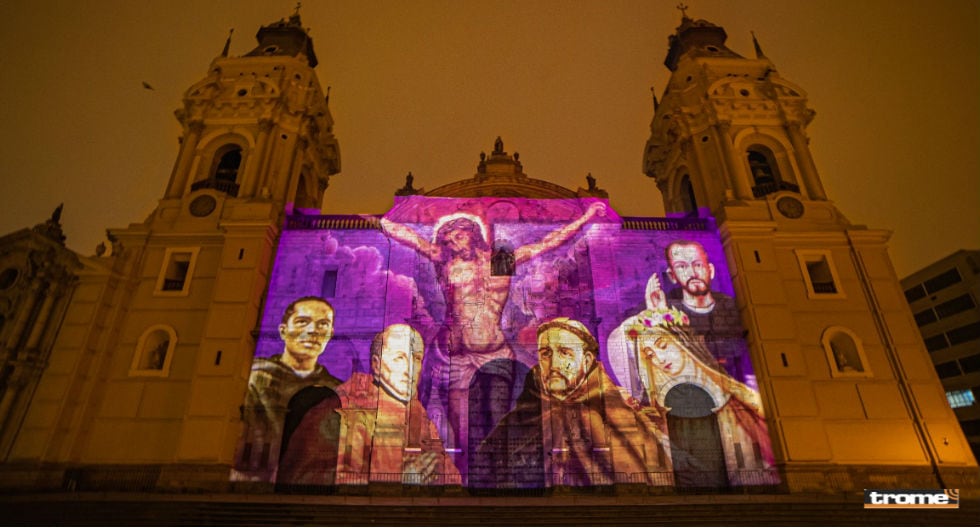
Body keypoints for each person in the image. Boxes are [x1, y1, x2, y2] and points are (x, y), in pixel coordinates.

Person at [380, 202, 606, 463]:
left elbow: (549, 242)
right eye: (449, 239)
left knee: (498, 419)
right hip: (457, 356)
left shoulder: (500, 262)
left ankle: (497, 477)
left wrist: (587, 216)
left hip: (495, 353)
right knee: (462, 431)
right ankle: (466, 480)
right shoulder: (446, 261)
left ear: (474, 234)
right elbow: (412, 239)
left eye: (459, 235)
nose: (453, 242)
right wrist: (383, 222)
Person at [472, 318, 667, 489]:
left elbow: (642, 474)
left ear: (587, 360)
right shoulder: (523, 416)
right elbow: (484, 471)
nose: (554, 363)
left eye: (565, 353)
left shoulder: (616, 412)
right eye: (546, 354)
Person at [279, 324, 459, 486]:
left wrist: (438, 475)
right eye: (399, 358)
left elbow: (451, 476)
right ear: (377, 365)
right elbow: (301, 478)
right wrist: (398, 477)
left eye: (417, 359)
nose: (410, 369)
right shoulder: (338, 408)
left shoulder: (419, 414)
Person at [626, 308, 774, 485]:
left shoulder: (733, 394)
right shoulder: (654, 403)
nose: (659, 358)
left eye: (663, 346)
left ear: (682, 342)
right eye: (650, 355)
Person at [232, 296, 342, 483]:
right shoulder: (256, 378)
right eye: (302, 322)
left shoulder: (337, 387)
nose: (312, 331)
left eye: (322, 324)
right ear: (283, 331)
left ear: (331, 334)